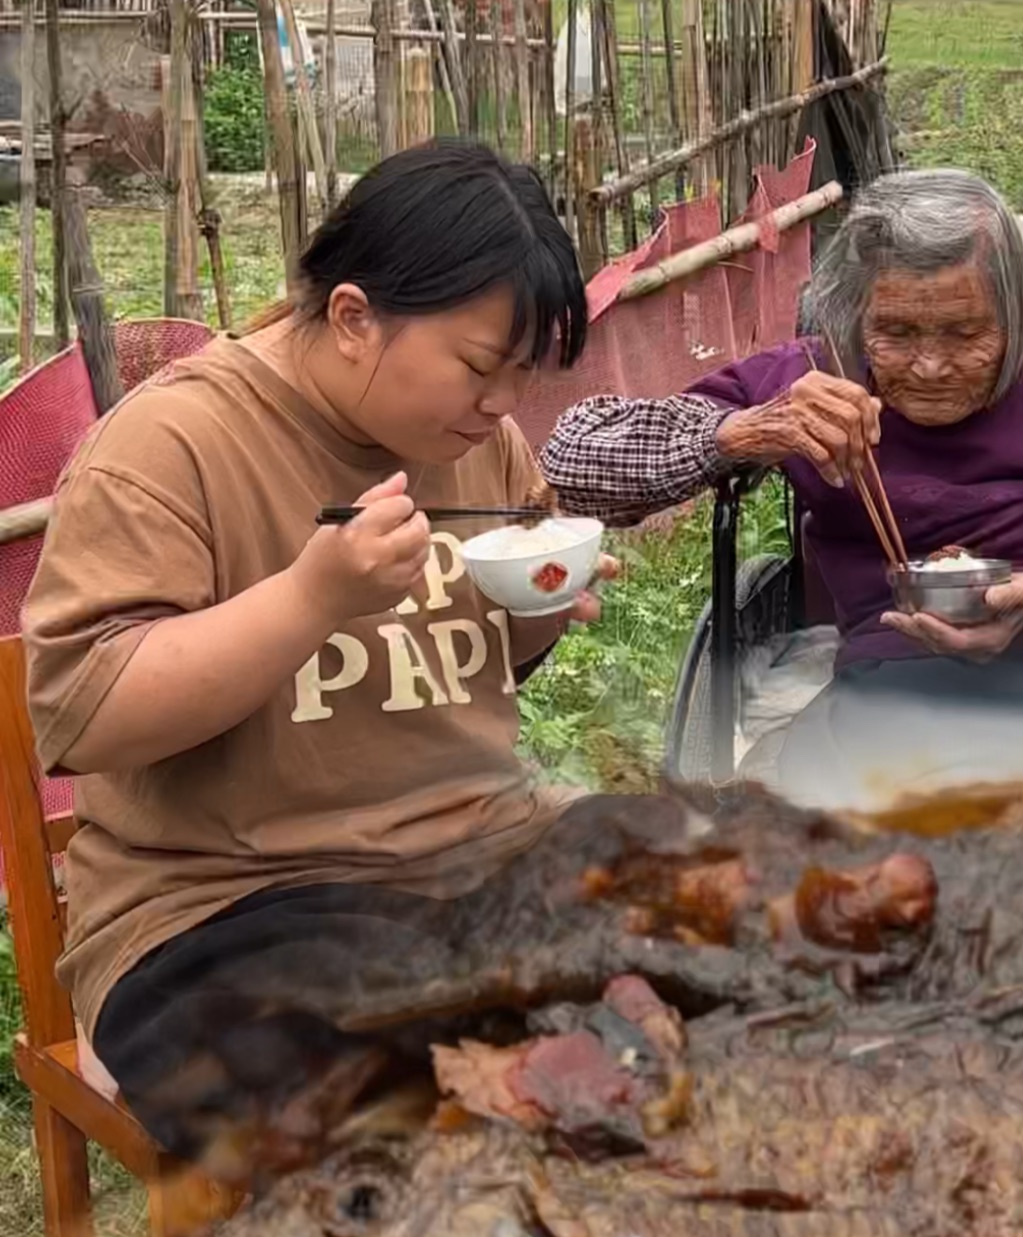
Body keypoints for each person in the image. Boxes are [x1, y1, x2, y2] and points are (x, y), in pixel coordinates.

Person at [22, 140, 606, 1172]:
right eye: (479, 369)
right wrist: (309, 599)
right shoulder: (173, 446)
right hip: (223, 906)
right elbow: (83, 712)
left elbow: (468, 672)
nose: (498, 408)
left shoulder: (473, 442)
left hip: (476, 855)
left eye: (520, 379)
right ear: (352, 317)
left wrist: (545, 606)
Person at [540, 168, 1023, 808]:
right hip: (911, 692)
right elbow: (573, 459)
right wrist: (741, 433)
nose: (927, 366)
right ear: (854, 318)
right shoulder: (815, 378)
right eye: (895, 333)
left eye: (963, 334)